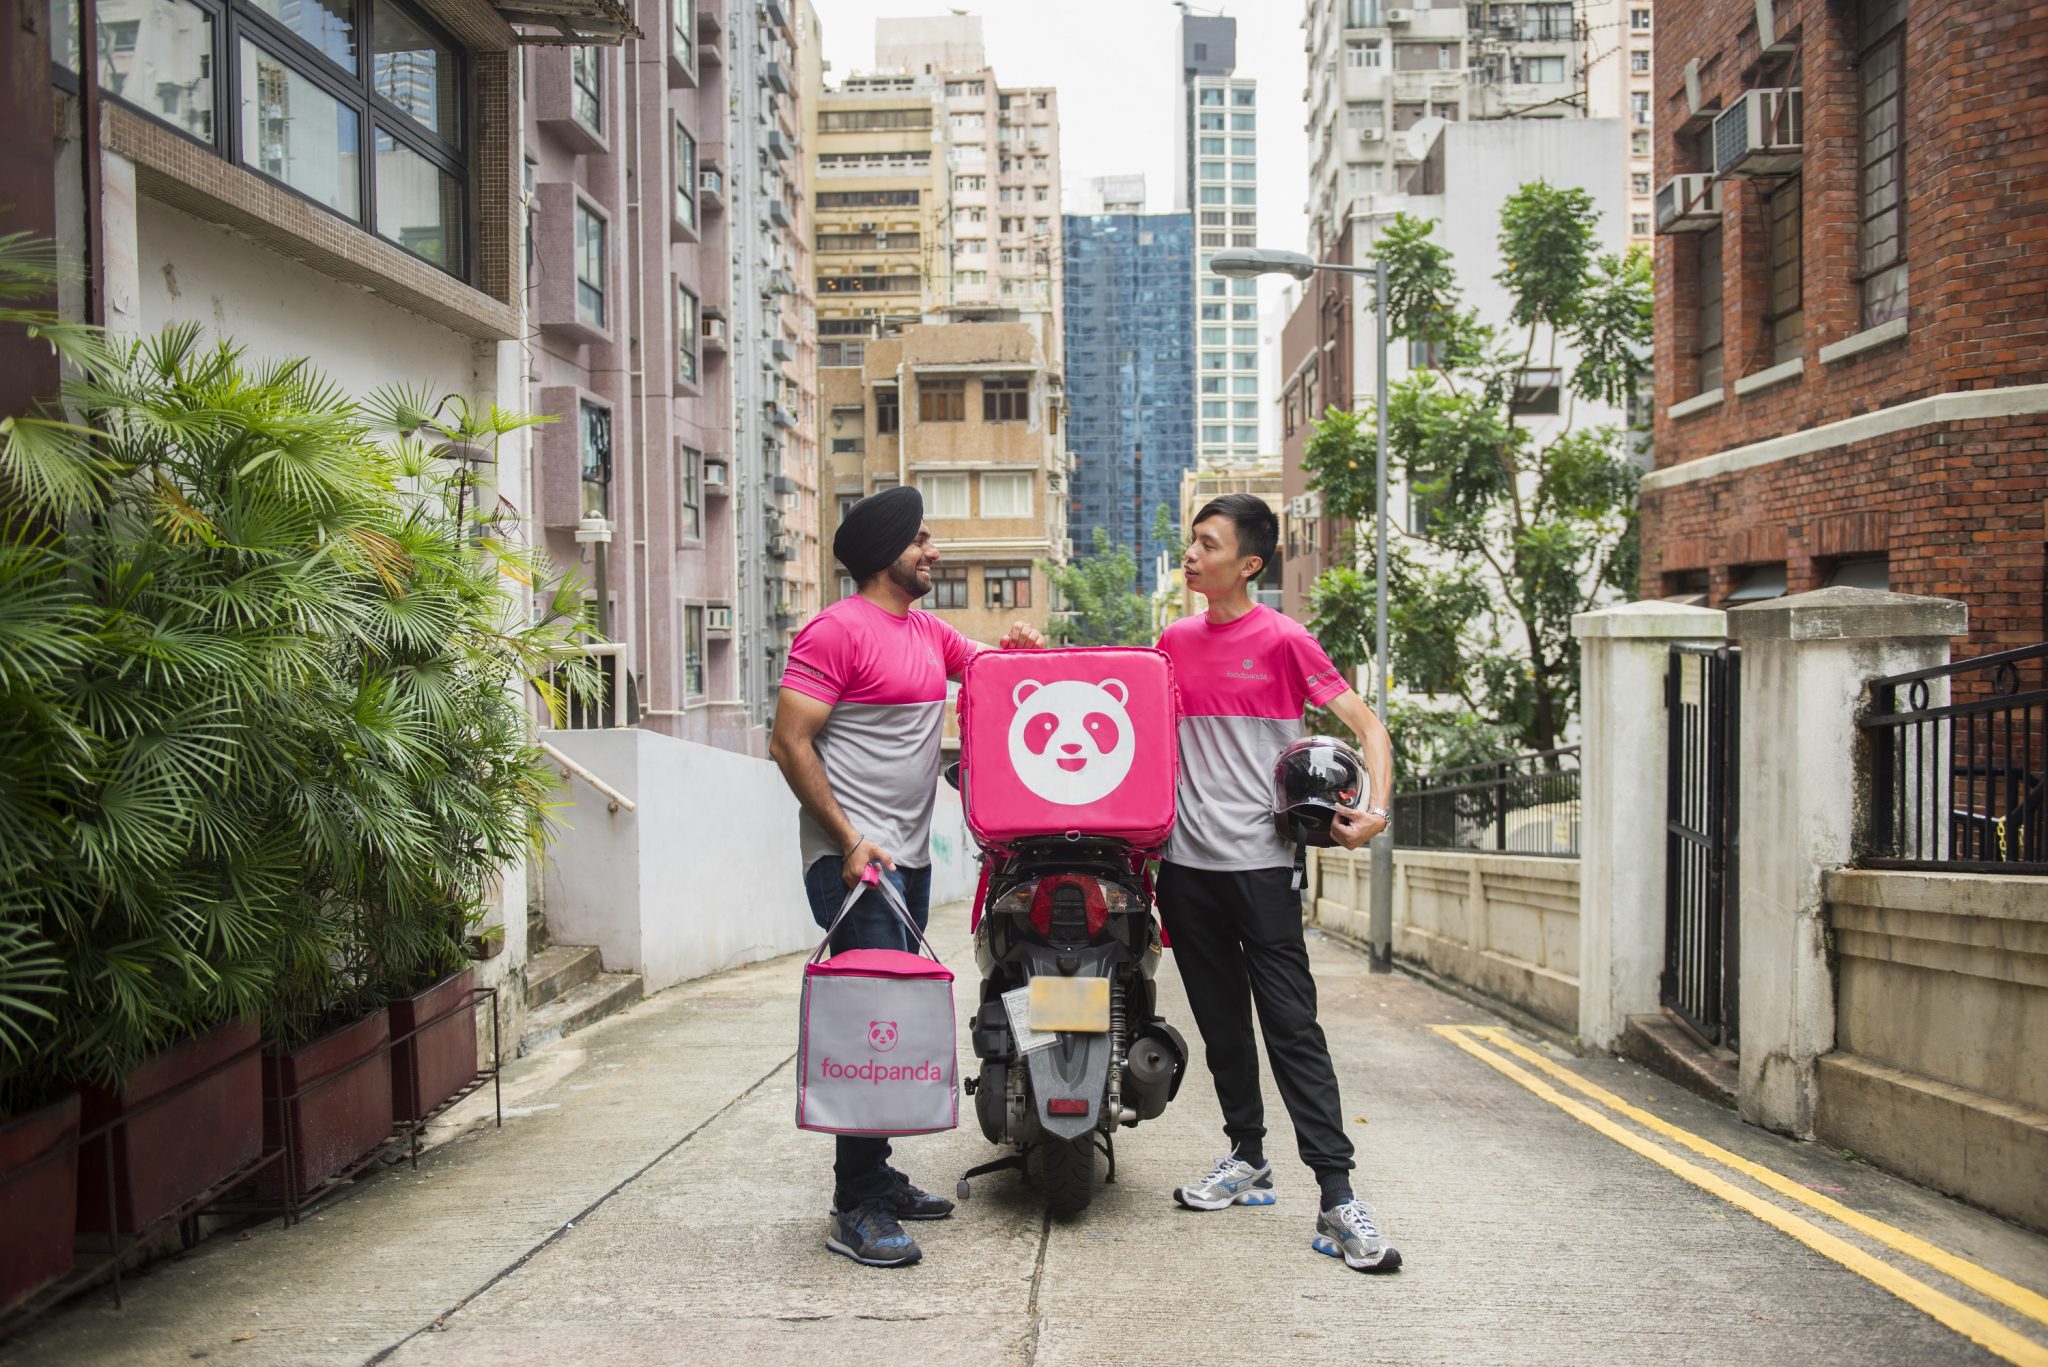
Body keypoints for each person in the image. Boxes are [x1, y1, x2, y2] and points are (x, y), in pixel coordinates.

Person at [768, 485, 1043, 1269]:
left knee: (892, 1025)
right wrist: (851, 840)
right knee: (868, 1021)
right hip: (853, 863)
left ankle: (877, 1175)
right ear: (887, 551)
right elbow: (789, 741)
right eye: (921, 539)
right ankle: (855, 1204)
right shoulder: (836, 631)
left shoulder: (927, 632)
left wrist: (1020, 644)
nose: (934, 551)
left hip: (908, 861)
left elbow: (993, 674)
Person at [1154, 492, 1403, 1274]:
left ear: (1250, 563)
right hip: (1186, 871)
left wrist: (1376, 809)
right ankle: (1246, 1155)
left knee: (1292, 1027)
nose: (1192, 555)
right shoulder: (1171, 641)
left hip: (1264, 869)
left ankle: (1336, 1194)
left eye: (1208, 544)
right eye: (1190, 542)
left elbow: (1369, 728)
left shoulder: (1286, 640)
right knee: (1222, 1024)